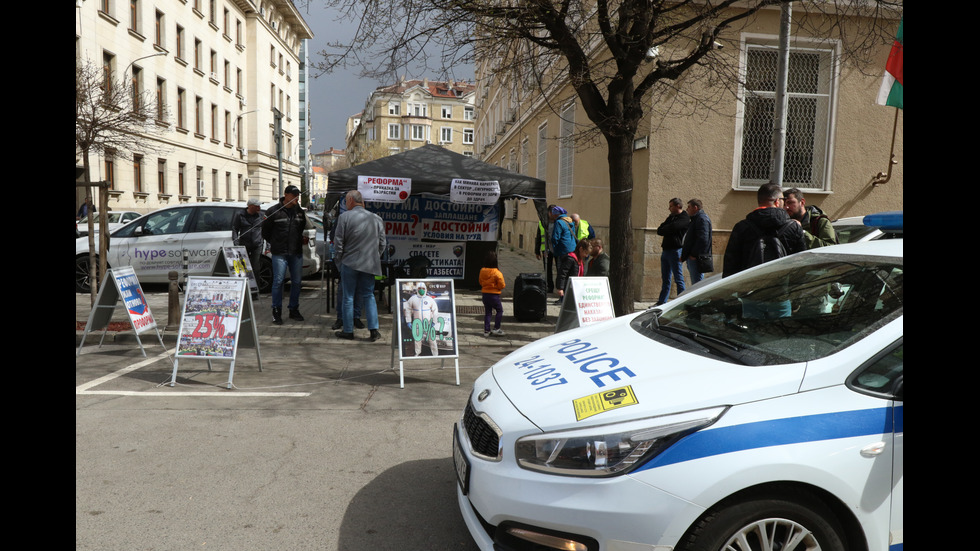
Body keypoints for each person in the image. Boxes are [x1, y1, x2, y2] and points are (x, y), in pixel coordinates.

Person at [333, 190, 386, 341]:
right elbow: (382, 243)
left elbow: (338, 244)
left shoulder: (344, 217)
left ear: (350, 200)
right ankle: (374, 330)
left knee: (348, 297)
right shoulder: (376, 218)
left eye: (346, 201)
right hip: (369, 263)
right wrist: (374, 257)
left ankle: (348, 331)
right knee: (369, 296)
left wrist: (339, 261)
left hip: (349, 262)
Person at [723, 183, 806, 278]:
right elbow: (801, 262)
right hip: (782, 287)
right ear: (777, 201)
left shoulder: (741, 227)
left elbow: (730, 264)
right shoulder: (794, 227)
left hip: (749, 286)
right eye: (784, 200)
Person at [262, 185, 310, 324]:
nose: (297, 198)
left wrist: (300, 239)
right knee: (278, 282)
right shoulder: (273, 211)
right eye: (294, 195)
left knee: (297, 282)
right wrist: (275, 243)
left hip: (296, 252)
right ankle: (276, 311)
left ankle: (293, 309)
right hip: (280, 253)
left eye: (298, 195)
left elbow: (301, 228)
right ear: (286, 195)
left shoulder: (299, 211)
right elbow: (265, 232)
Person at [656, 198, 690, 305]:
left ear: (678, 206)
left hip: (676, 251)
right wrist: (668, 229)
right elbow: (660, 230)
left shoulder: (684, 217)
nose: (669, 208)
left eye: (671, 206)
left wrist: (667, 229)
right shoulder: (671, 217)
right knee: (665, 278)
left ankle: (681, 301)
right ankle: (662, 302)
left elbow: (675, 227)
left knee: (678, 278)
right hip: (666, 250)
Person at [232, 198, 265, 286]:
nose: (259, 208)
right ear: (250, 207)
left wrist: (268, 245)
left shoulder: (262, 215)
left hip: (257, 245)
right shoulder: (240, 215)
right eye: (257, 206)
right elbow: (235, 229)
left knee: (256, 268)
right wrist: (236, 243)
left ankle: (256, 290)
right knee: (243, 268)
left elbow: (266, 230)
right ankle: (244, 288)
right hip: (244, 244)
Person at [402, 281, 440, 355]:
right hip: (417, 323)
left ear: (425, 289)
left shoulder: (430, 299)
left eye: (423, 288)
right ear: (417, 289)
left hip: (428, 323)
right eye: (419, 288)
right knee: (417, 340)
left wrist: (434, 321)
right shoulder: (413, 299)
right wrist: (408, 321)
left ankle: (435, 354)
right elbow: (408, 309)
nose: (421, 290)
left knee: (432, 339)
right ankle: (417, 353)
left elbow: (435, 311)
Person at [681, 199, 713, 285]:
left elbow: (703, 239)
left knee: (697, 284)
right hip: (692, 256)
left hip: (696, 258)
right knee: (695, 282)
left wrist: (694, 254)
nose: (687, 209)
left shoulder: (702, 219)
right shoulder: (696, 219)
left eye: (689, 207)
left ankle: (700, 299)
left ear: (695, 207)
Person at [555, 239, 591, 304]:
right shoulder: (570, 259)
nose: (586, 256)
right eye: (586, 253)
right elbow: (562, 273)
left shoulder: (579, 260)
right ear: (581, 249)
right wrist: (560, 288)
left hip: (575, 287)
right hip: (568, 287)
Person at [479, 251, 506, 337]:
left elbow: (480, 281)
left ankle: (486, 331)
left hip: (485, 294)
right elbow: (502, 285)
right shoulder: (497, 273)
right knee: (499, 310)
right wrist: (497, 287)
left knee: (488, 312)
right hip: (494, 295)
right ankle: (496, 328)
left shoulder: (482, 271)